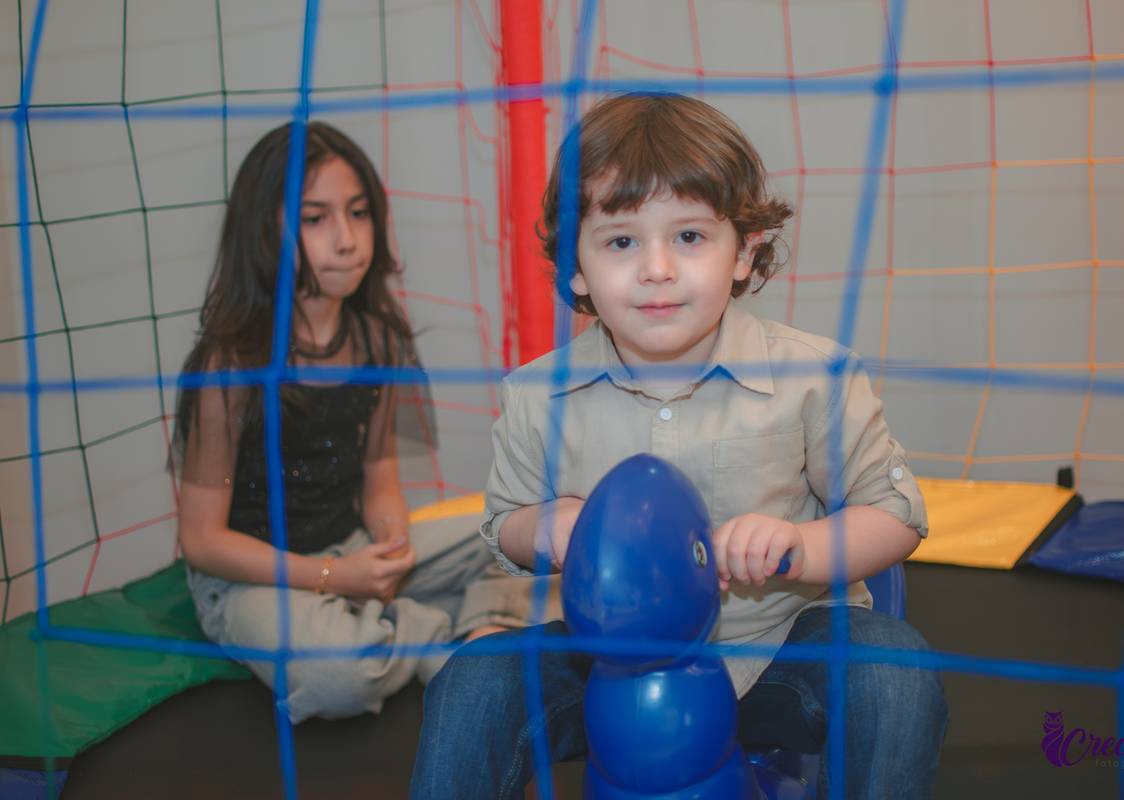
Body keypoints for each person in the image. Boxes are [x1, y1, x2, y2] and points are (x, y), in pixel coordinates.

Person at [410, 93, 948, 799]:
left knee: (893, 670)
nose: (656, 268)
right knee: (475, 677)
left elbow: (896, 515)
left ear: (743, 251)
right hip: (612, 670)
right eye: (621, 241)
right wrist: (546, 526)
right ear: (575, 267)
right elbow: (503, 526)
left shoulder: (815, 377)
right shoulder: (537, 396)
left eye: (689, 237)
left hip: (778, 648)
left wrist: (799, 544)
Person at [174, 121, 550, 724]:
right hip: (253, 580)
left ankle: (440, 624)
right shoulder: (230, 365)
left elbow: (377, 470)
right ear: (265, 230)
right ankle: (430, 635)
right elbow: (200, 539)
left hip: (348, 546)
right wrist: (334, 576)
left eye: (358, 213)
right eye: (315, 218)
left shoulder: (378, 338)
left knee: (515, 530)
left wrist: (390, 538)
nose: (346, 239)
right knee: (338, 678)